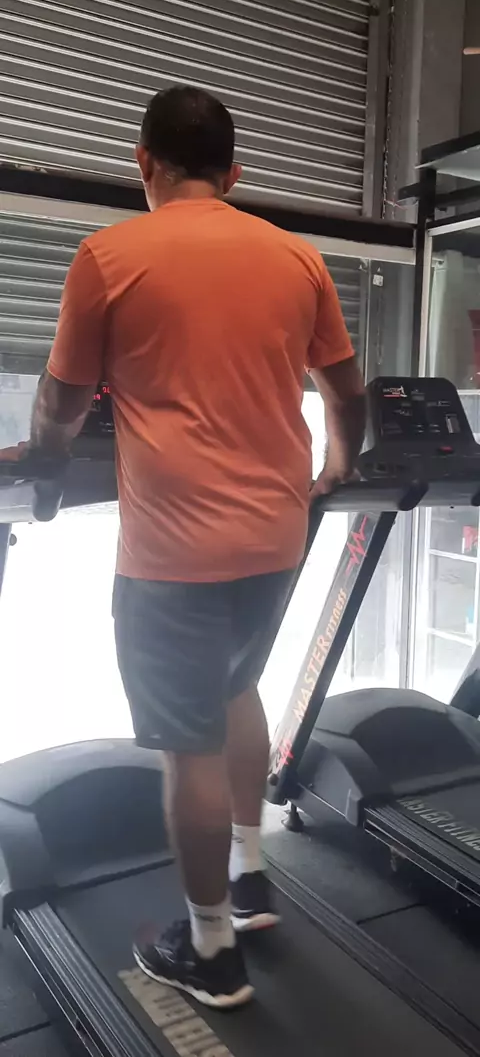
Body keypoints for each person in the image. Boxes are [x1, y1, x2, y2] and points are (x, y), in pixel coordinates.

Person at [4, 86, 366, 1008]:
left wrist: (45, 458)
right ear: (234, 173)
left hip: (174, 549)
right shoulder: (295, 255)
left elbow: (62, 399)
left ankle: (209, 948)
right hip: (277, 536)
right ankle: (249, 873)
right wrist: (337, 464)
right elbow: (345, 392)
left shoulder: (109, 256)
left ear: (143, 161)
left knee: (187, 745)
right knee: (236, 688)